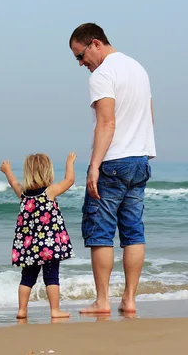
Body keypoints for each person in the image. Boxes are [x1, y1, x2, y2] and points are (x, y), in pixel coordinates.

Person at [69, 23, 156, 314]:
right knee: (133, 232)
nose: (82, 64)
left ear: (95, 43)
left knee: (101, 232)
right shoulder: (138, 69)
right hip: (139, 159)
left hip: (114, 161)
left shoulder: (104, 73)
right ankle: (129, 299)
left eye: (80, 56)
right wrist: (145, 151)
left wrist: (94, 166)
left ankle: (102, 301)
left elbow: (107, 123)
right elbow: (149, 113)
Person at [0, 152, 77, 319]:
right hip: (48, 246)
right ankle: (55, 310)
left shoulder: (24, 195)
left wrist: (7, 171)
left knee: (27, 277)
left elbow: (14, 182)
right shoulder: (49, 192)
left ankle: (22, 310)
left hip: (29, 247)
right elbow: (69, 180)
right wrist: (69, 162)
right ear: (47, 172)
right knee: (51, 276)